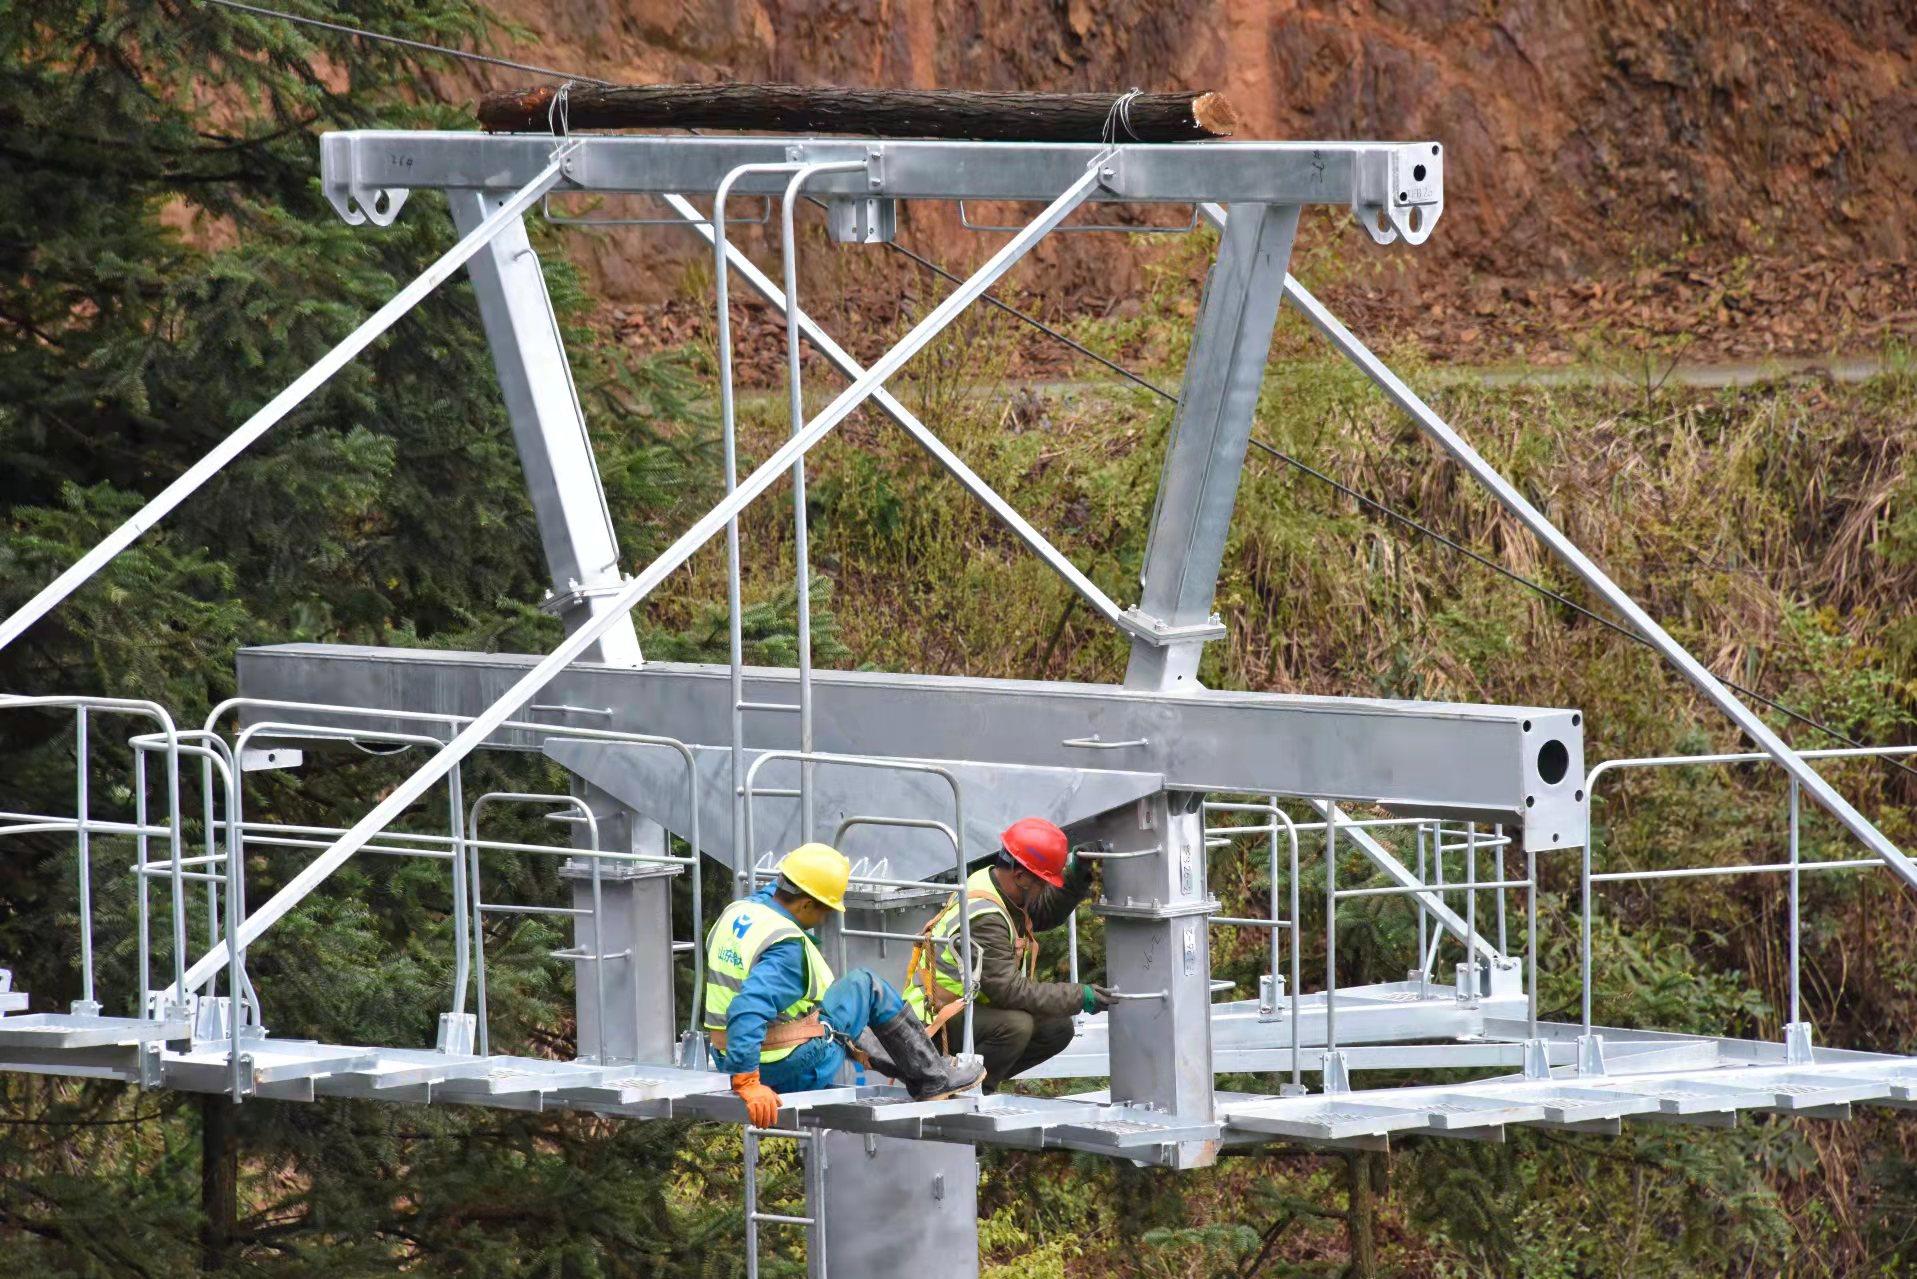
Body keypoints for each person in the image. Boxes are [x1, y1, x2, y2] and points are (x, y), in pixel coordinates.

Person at [704, 842, 984, 1126]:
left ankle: (922, 1070)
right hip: (782, 1067)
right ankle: (933, 1078)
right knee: (866, 987)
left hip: (729, 1055)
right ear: (805, 903)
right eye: (825, 910)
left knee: (843, 1008)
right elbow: (748, 1009)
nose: (825, 918)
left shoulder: (741, 912)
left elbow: (781, 891)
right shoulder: (785, 949)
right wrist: (747, 1081)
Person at [903, 817, 1112, 1090]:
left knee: (1057, 1029)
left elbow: (1041, 913)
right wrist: (1080, 995)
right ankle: (964, 1086)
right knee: (1016, 1025)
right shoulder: (984, 915)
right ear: (1021, 876)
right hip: (936, 1017)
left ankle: (979, 1081)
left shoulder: (1000, 885)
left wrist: (1077, 875)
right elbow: (1009, 991)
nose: (1046, 889)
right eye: (1043, 882)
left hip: (973, 1006)